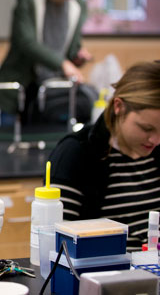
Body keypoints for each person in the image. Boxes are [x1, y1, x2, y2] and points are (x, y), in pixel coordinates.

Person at [48, 62, 160, 251]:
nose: (155, 140)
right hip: (107, 276)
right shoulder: (77, 154)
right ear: (119, 107)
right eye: (146, 128)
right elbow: (59, 248)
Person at [0, 0, 94, 124]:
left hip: (51, 91)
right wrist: (62, 64)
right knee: (10, 143)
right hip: (19, 86)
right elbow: (27, 42)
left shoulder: (77, 7)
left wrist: (76, 57)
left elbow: (70, 50)